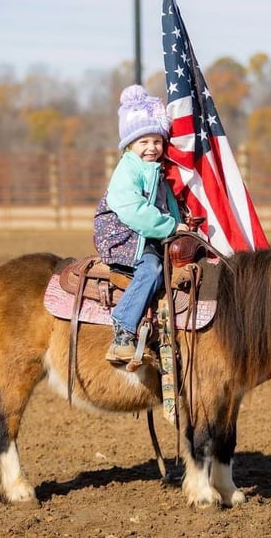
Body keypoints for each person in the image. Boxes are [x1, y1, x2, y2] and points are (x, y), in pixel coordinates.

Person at [93, 84, 189, 364]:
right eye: (143, 142)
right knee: (152, 269)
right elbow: (133, 210)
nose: (151, 148)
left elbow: (167, 205)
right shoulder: (128, 170)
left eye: (157, 141)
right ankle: (123, 331)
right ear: (130, 145)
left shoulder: (156, 170)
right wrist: (170, 228)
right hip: (122, 234)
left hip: (146, 234)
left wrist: (181, 226)